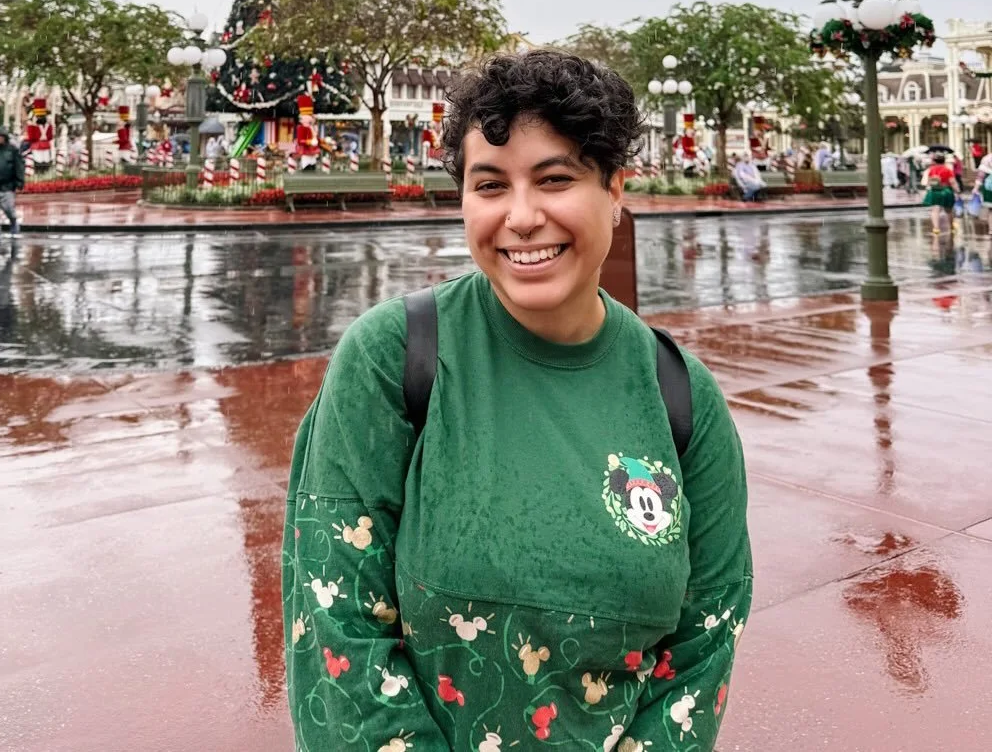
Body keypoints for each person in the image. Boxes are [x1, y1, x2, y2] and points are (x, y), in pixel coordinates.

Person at [282, 50, 753, 751]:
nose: (522, 217)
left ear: (615, 189)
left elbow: (704, 639)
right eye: (490, 185)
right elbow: (338, 628)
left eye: (555, 179)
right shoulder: (393, 359)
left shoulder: (680, 396)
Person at [922, 152, 957, 236]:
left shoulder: (932, 169)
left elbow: (929, 181)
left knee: (935, 210)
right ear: (944, 160)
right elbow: (952, 181)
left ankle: (936, 228)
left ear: (934, 161)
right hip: (946, 191)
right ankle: (951, 227)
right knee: (949, 210)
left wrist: (927, 189)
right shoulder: (947, 169)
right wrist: (957, 190)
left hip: (935, 191)